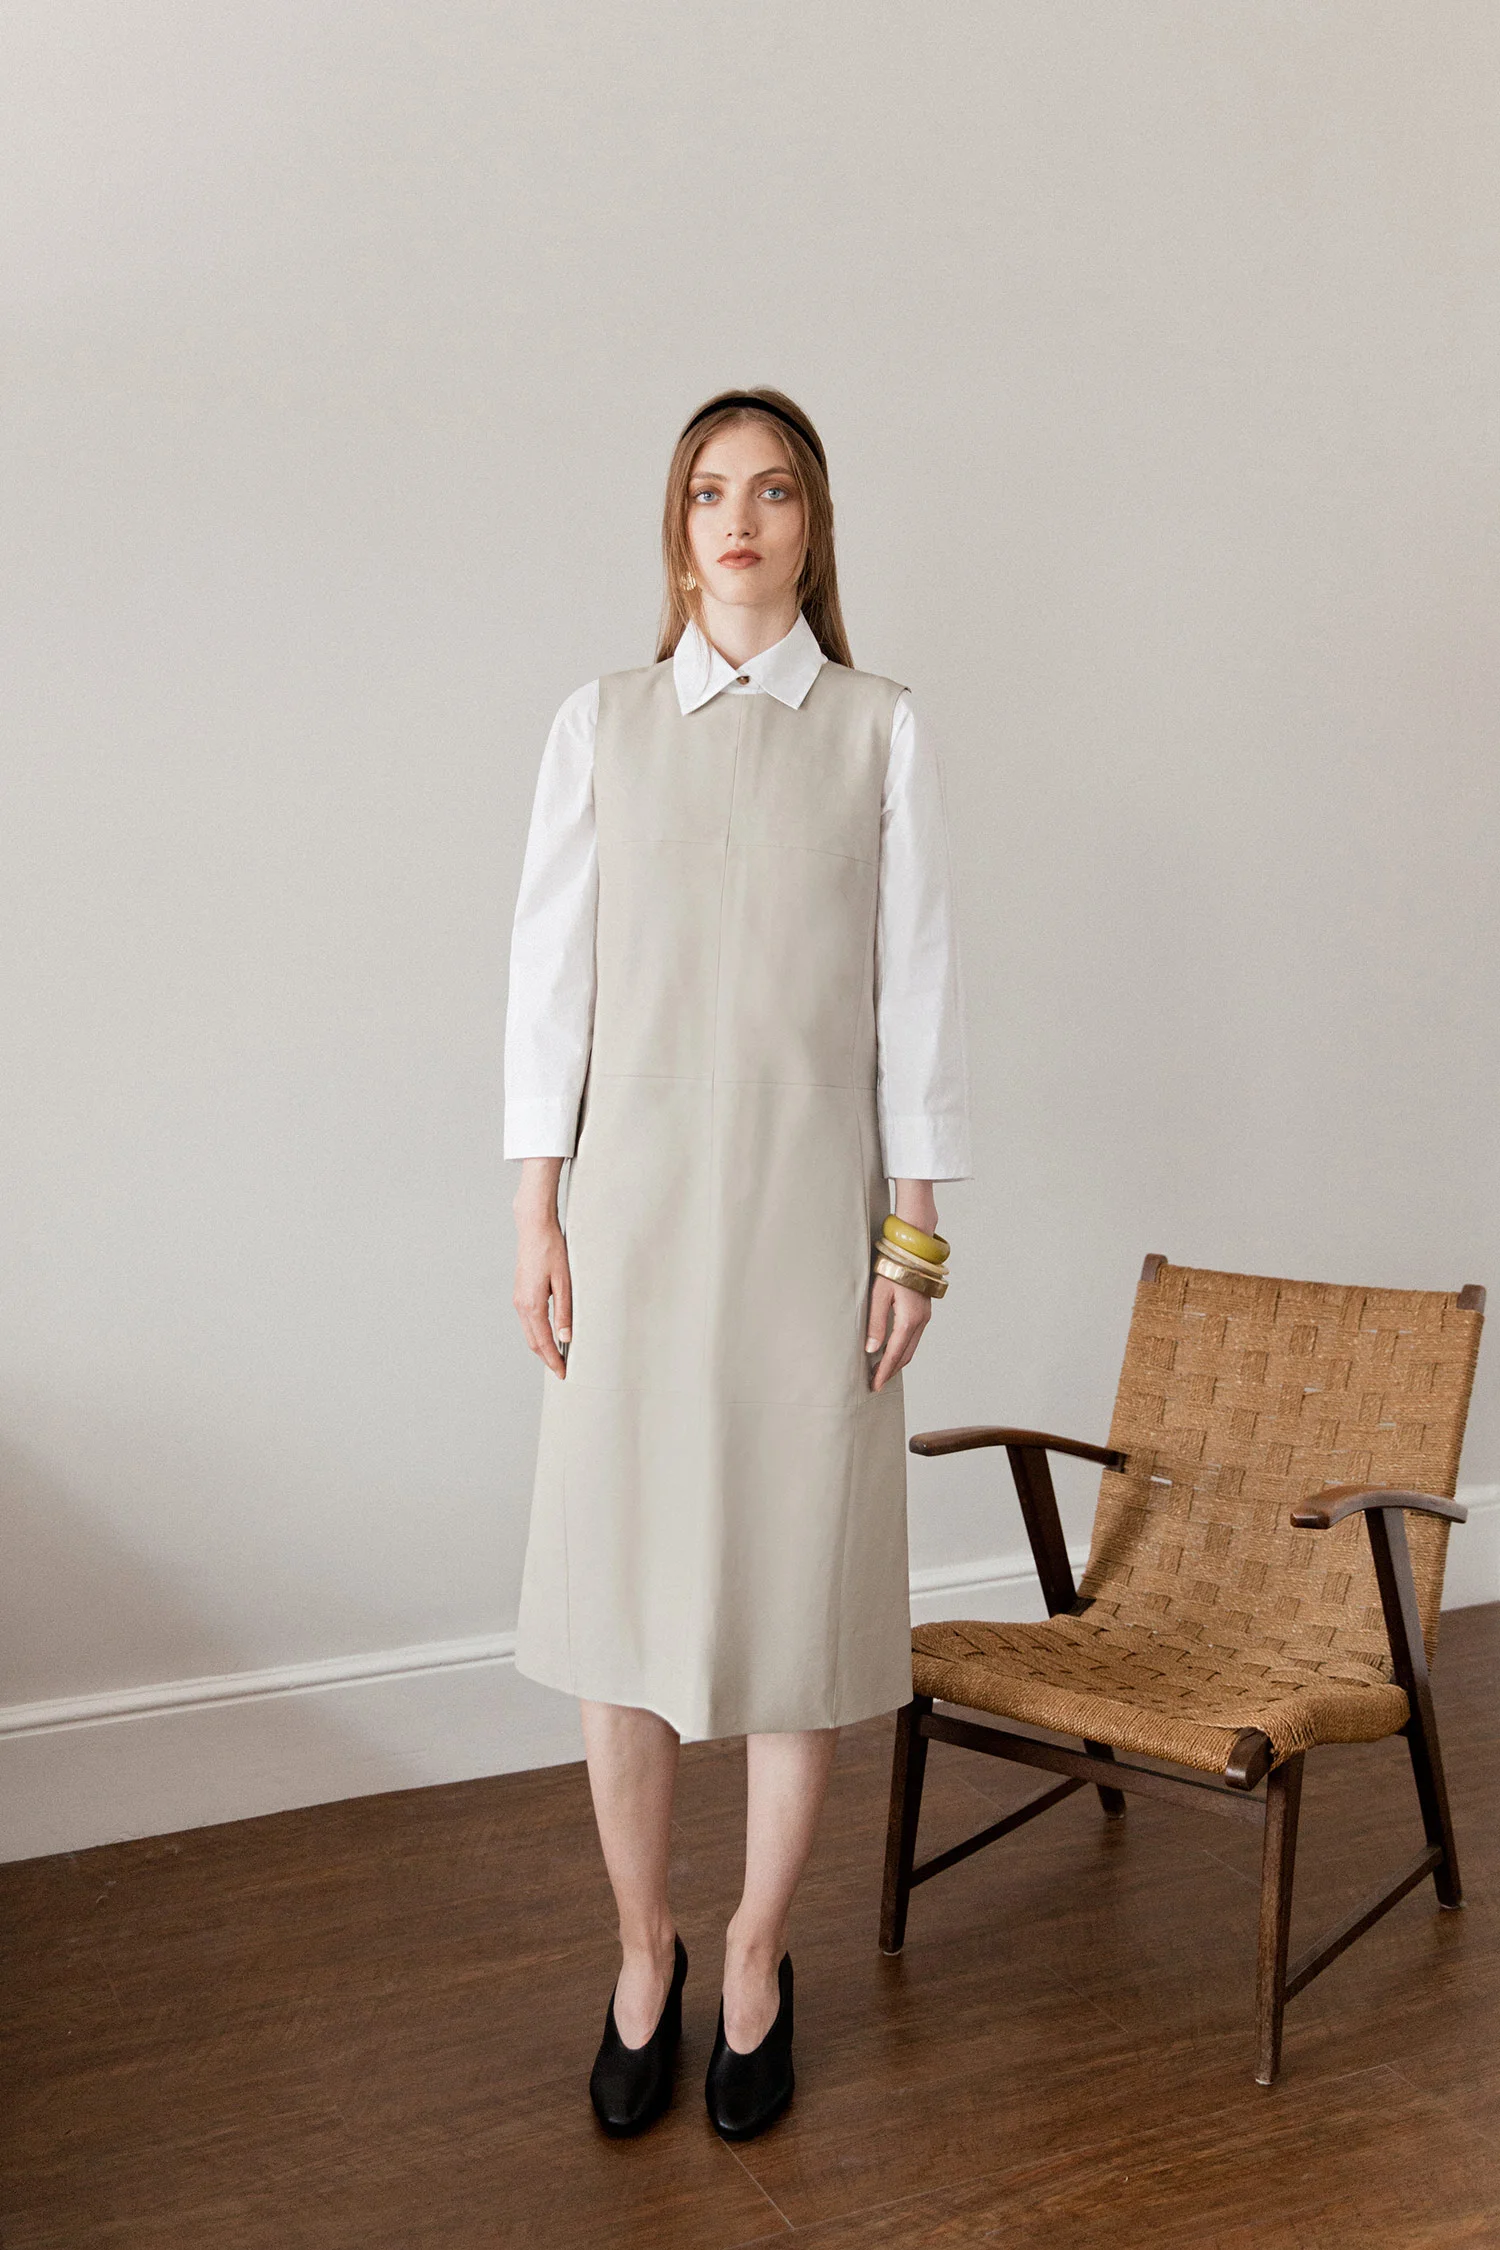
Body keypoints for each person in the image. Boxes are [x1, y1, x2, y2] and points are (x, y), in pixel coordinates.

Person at [504, 387, 972, 2141]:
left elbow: (915, 999)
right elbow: (549, 991)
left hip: (812, 1234)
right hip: (622, 1234)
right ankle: (646, 1950)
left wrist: (914, 1232)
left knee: (792, 1605)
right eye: (712, 490)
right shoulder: (600, 725)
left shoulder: (880, 731)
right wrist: (536, 1211)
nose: (742, 518)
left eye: (774, 490)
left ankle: (760, 1956)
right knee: (622, 1614)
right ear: (677, 523)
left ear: (812, 523)